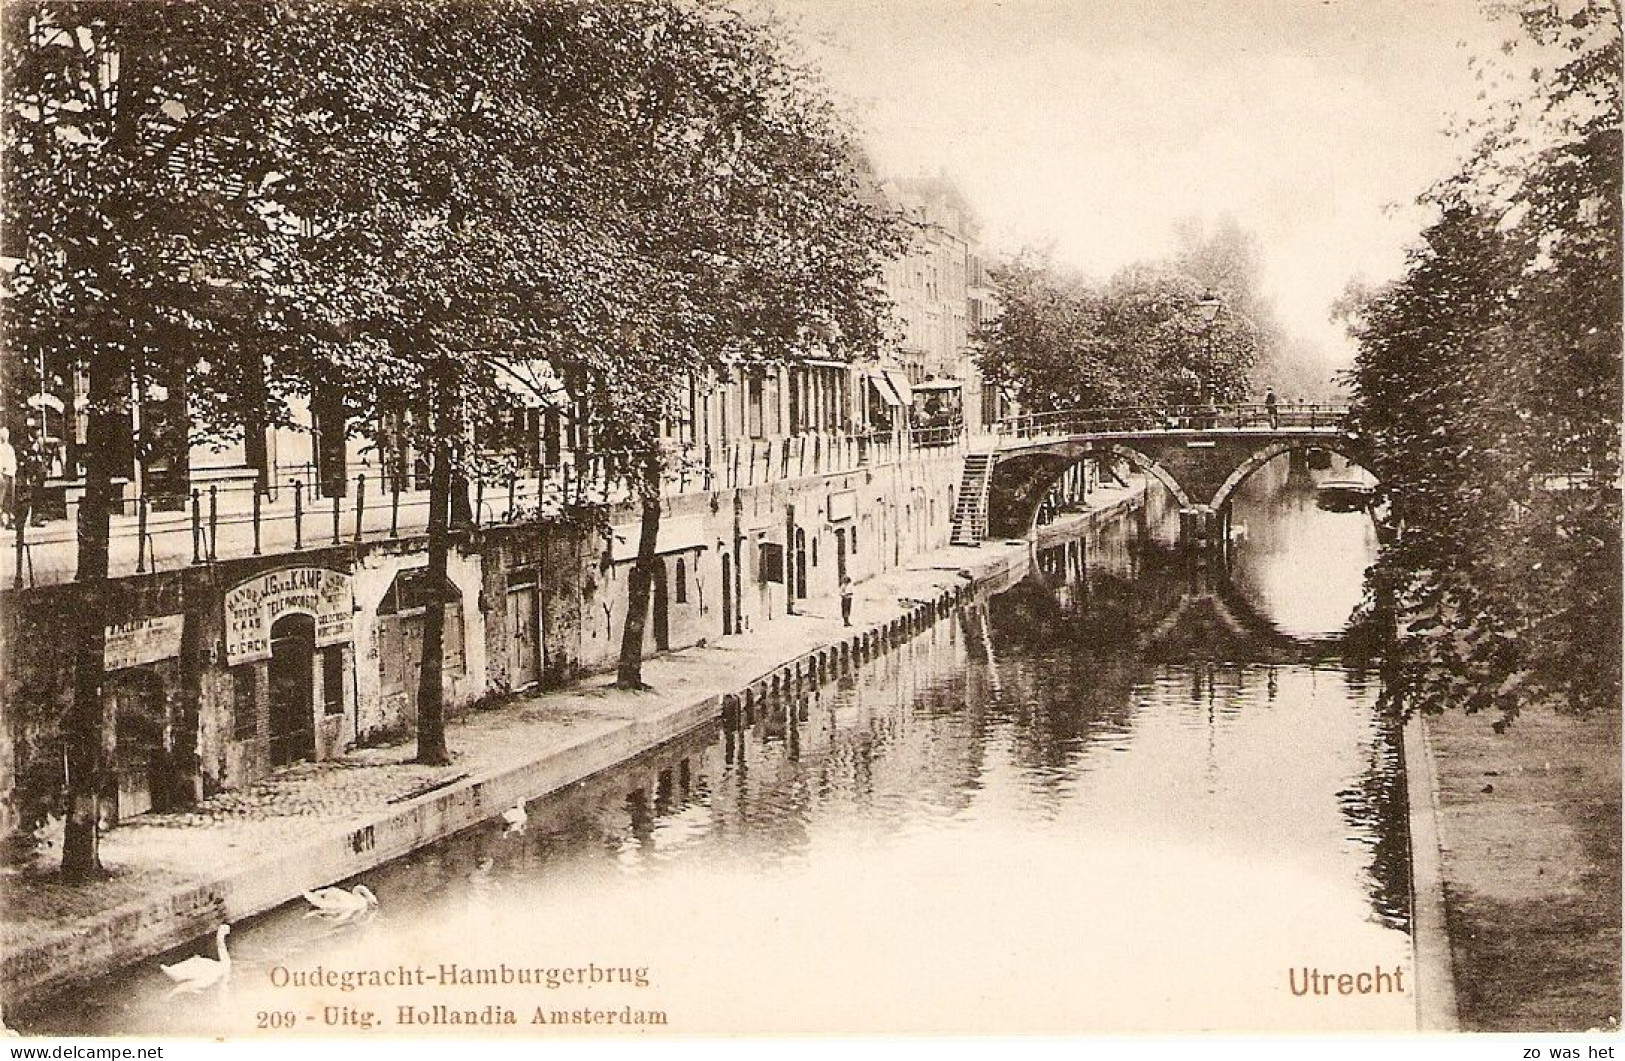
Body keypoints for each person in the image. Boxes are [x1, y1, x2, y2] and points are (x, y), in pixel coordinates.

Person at [0, 428, 14, 530]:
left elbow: (13, 461)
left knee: (10, 498)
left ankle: (9, 520)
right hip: (3, 475)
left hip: (11, 474)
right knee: (1, 498)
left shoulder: (10, 448)